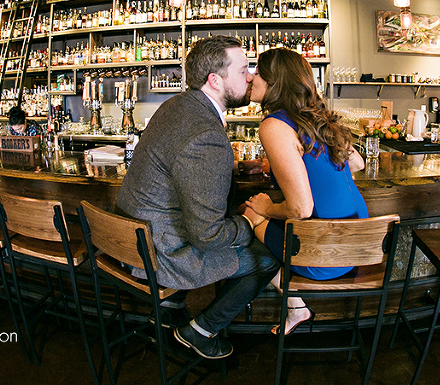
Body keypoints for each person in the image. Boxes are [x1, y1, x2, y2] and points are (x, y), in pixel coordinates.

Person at [115, 35, 279, 360]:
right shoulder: (207, 134)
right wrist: (249, 221)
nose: (250, 77)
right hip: (161, 255)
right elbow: (207, 236)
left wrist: (230, 167)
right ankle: (201, 331)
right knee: (268, 256)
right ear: (215, 79)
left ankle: (168, 307)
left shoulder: (177, 104)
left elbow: (181, 163)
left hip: (131, 240)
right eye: (244, 69)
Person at [244, 47, 368, 336]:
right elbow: (357, 163)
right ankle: (296, 307)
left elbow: (301, 209)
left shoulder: (274, 124)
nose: (251, 78)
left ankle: (295, 306)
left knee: (246, 213)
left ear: (275, 83)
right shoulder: (319, 118)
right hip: (359, 242)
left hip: (325, 253)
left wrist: (265, 208)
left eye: (258, 73)